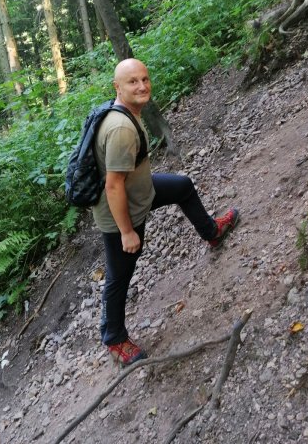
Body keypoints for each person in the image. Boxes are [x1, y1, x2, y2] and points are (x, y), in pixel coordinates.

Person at [92, 59, 240, 367]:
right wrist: (127, 232)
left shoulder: (124, 111)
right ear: (117, 87)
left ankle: (212, 232)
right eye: (133, 81)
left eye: (145, 79)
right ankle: (114, 338)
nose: (142, 86)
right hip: (122, 212)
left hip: (141, 191)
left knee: (182, 186)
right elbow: (113, 186)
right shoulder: (120, 128)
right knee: (120, 275)